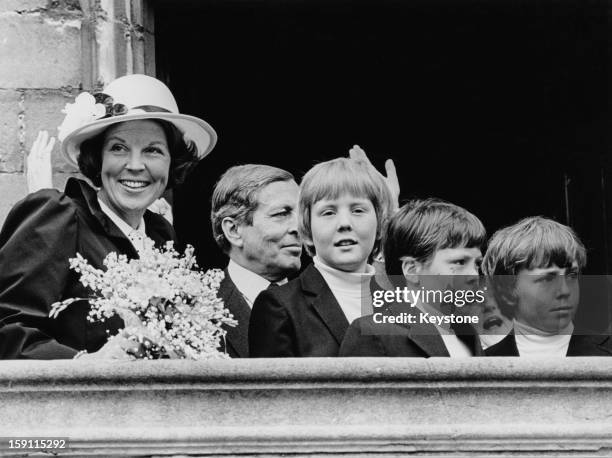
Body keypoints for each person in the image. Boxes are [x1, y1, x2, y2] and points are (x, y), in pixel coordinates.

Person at [0, 74, 216, 359]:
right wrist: (88, 365)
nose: (135, 165)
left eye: (152, 150)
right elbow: (9, 332)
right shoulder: (59, 214)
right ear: (97, 159)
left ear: (171, 162)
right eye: (118, 148)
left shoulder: (162, 234)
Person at [249, 157, 393, 357]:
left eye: (358, 210)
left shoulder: (405, 304)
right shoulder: (279, 307)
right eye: (328, 212)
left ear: (380, 226)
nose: (344, 223)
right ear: (307, 230)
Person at [339, 198, 486, 357]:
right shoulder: (374, 332)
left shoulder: (468, 333)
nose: (473, 274)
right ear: (412, 270)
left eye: (477, 263)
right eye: (459, 262)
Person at [482, 216, 612, 357]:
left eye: (572, 275)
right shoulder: (481, 365)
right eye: (548, 278)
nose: (565, 291)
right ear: (507, 287)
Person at [210, 164, 301, 358]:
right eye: (281, 214)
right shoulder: (195, 309)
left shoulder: (324, 296)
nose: (299, 227)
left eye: (301, 214)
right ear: (234, 230)